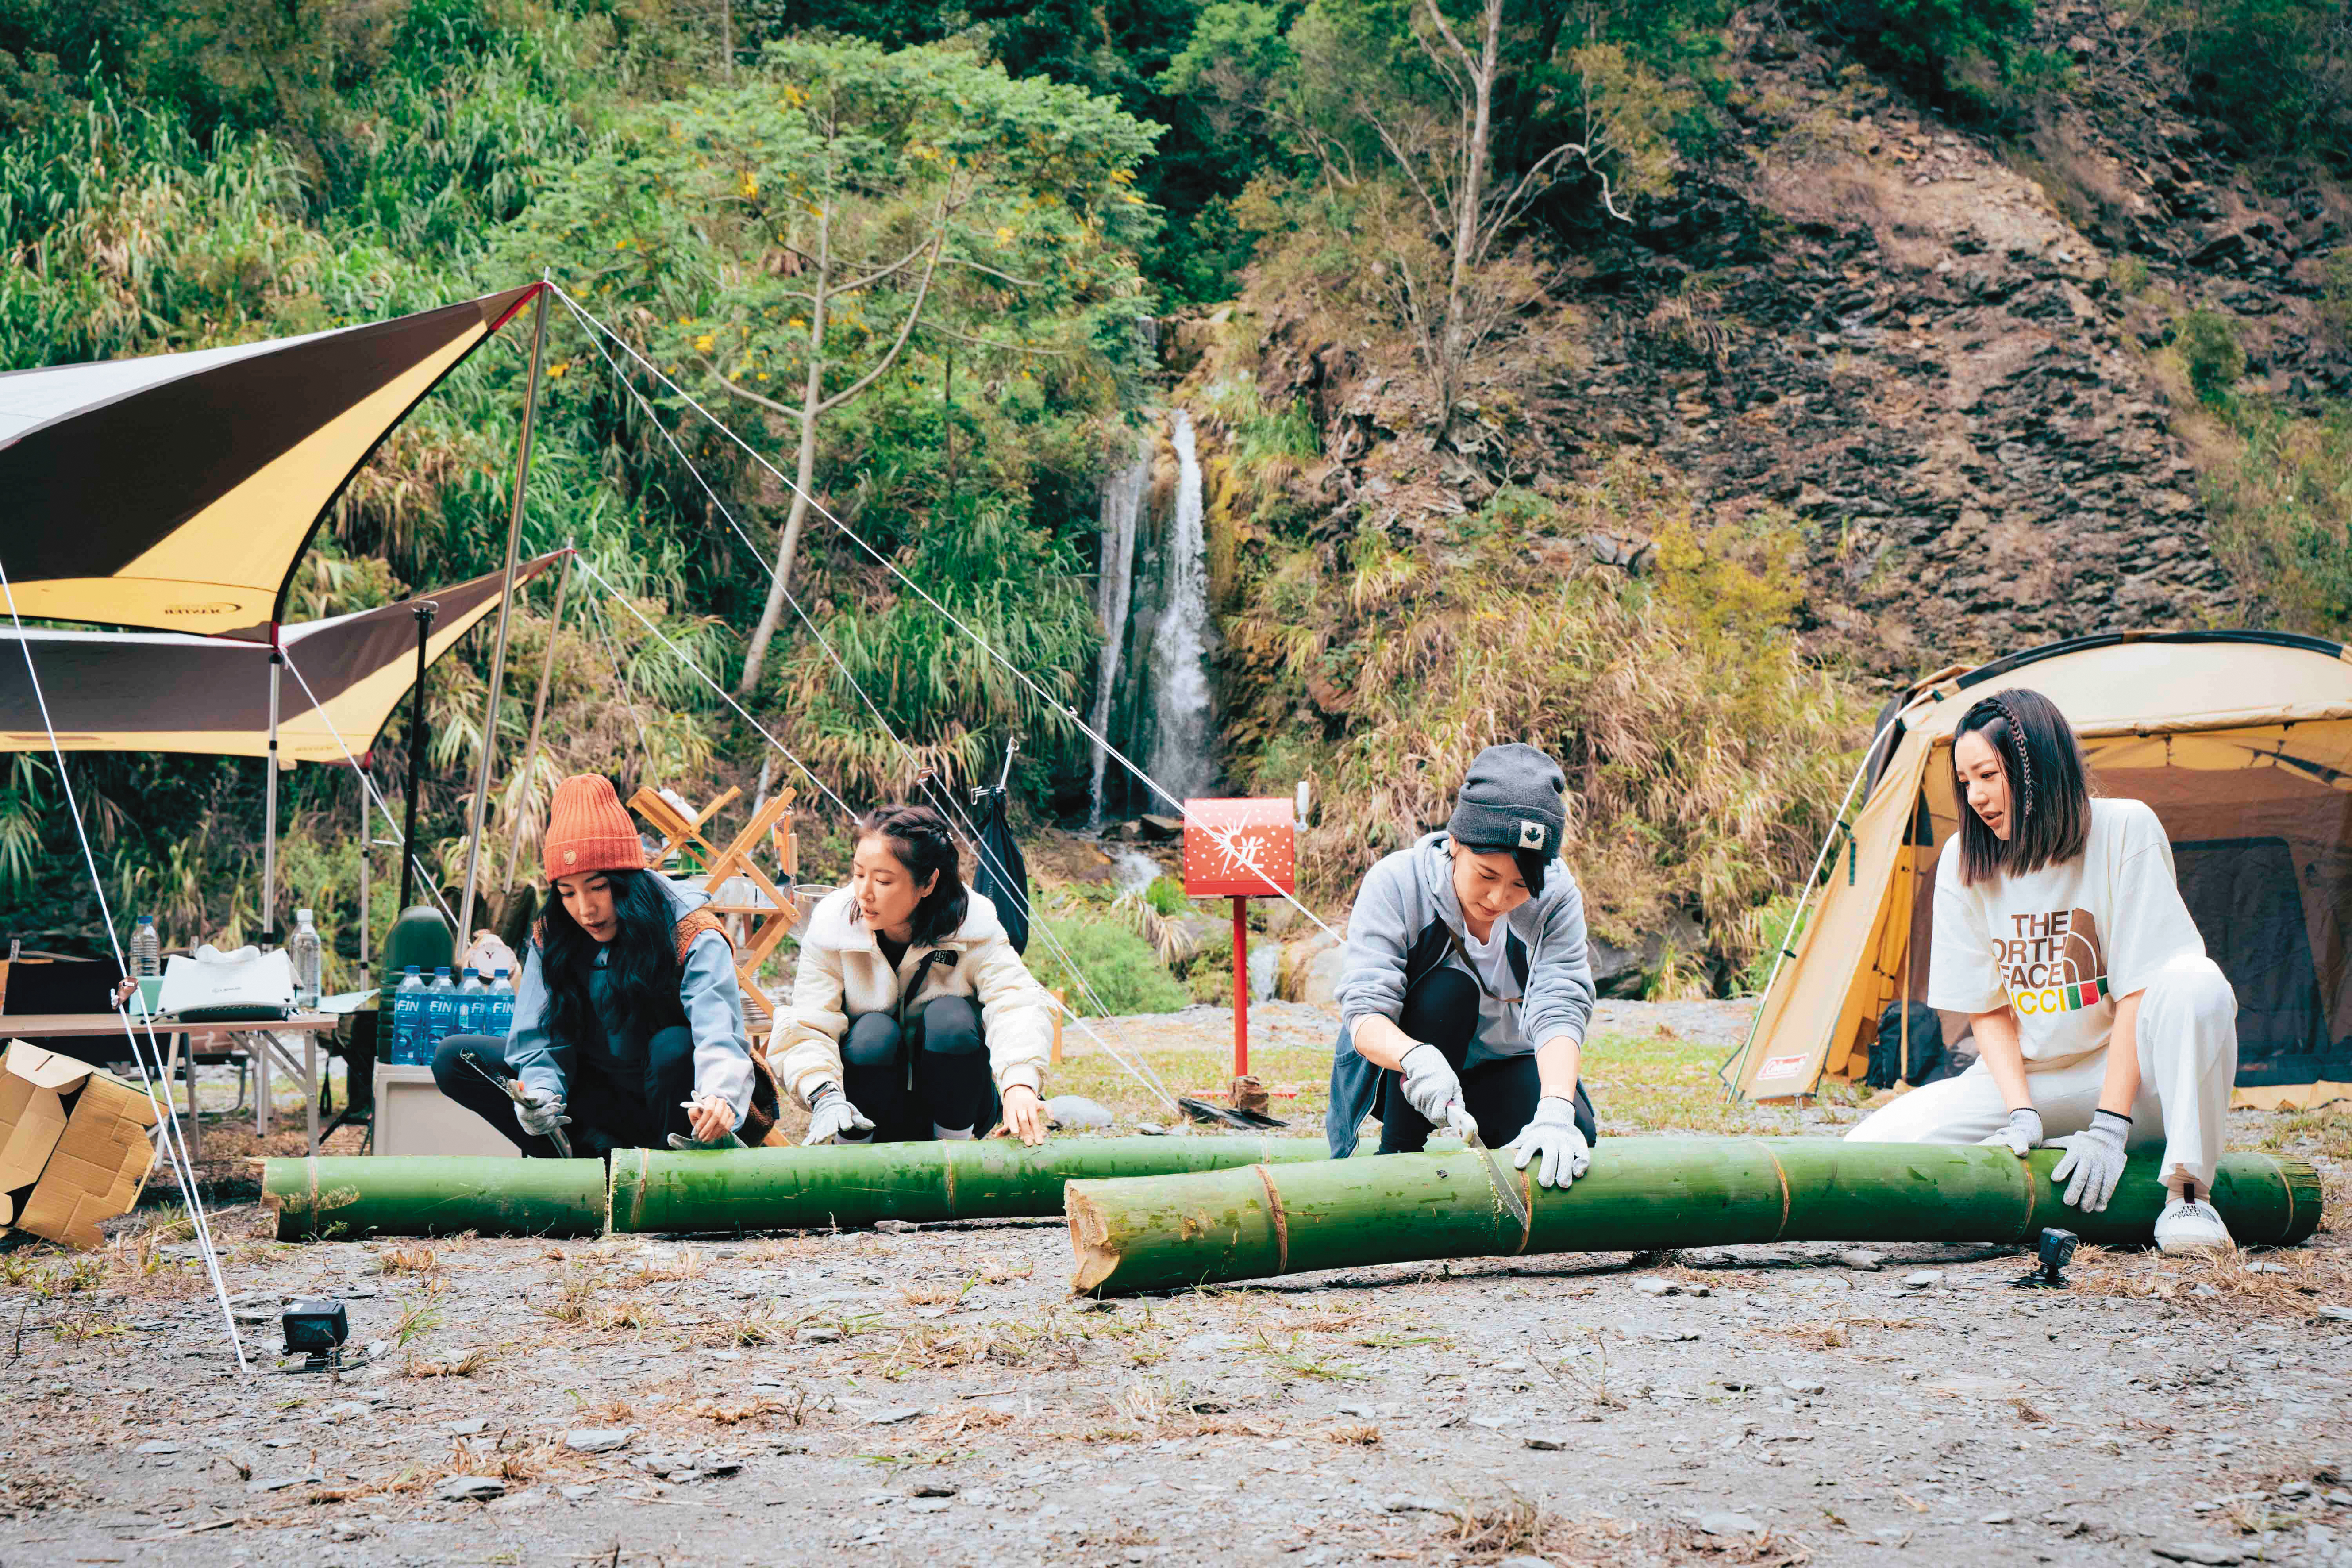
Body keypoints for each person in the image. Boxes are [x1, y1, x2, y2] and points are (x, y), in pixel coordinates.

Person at [1845, 689, 2238, 1253]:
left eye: (1986, 775)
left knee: (2195, 982)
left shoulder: (2124, 828)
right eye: (1964, 782)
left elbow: (2139, 988)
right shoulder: (1964, 861)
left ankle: (2187, 1196)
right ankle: (2051, 1137)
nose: (1975, 797)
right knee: (1866, 1151)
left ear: (2036, 768)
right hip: (2038, 1084)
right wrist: (2021, 1112)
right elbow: (1987, 1008)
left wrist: (2108, 1128)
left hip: (2142, 1083)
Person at [433, 774, 771, 1156]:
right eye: (567, 892)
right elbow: (540, 1038)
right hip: (592, 1099)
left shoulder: (691, 931)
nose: (585, 909)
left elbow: (719, 1035)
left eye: (597, 887)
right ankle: (584, 1162)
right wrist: (541, 1094)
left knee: (673, 1047)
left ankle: (665, 1182)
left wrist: (718, 1097)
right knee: (456, 1058)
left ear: (626, 880)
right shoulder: (555, 934)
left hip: (669, 1107)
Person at [1326, 743, 1600, 1188]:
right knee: (1448, 992)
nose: (1498, 900)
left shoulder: (1555, 897)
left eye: (1519, 885)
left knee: (1574, 1137)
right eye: (1486, 876)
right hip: (1403, 1073)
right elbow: (1363, 1012)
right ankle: (1397, 1156)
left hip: (1494, 1068)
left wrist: (1555, 1110)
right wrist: (1415, 1058)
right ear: (1455, 841)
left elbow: (1561, 1003)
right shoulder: (1397, 882)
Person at [770, 804, 1054, 1146]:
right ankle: (855, 1155)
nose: (865, 892)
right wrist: (824, 1094)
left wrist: (1020, 1081)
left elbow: (1015, 1002)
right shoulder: (833, 927)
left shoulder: (973, 925)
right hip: (866, 1104)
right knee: (873, 1032)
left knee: (950, 1016)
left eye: (883, 880)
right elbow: (809, 1023)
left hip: (955, 1105)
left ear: (928, 882)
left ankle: (953, 1155)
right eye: (859, 874)